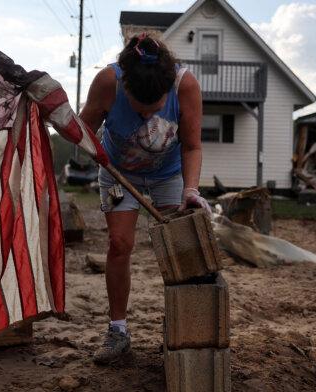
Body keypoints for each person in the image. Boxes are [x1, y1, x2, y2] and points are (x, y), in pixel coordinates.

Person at [78, 32, 211, 364]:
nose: (150, 116)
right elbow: (83, 130)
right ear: (125, 88)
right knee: (120, 244)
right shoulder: (108, 81)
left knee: (183, 246)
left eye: (156, 109)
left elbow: (192, 145)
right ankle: (118, 331)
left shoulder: (186, 86)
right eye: (141, 109)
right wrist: (84, 143)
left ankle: (183, 328)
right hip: (118, 172)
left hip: (169, 175)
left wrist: (190, 190)